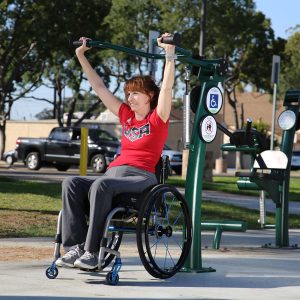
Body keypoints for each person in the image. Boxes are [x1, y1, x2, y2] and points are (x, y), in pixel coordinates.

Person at [56, 33, 175, 270]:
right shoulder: (126, 116)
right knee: (70, 182)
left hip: (141, 177)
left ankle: (91, 252)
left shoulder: (157, 118)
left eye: (135, 93)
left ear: (149, 96)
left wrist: (169, 54)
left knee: (101, 185)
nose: (129, 98)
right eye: (128, 93)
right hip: (113, 175)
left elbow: (168, 87)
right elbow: (98, 86)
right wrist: (81, 55)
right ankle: (75, 247)